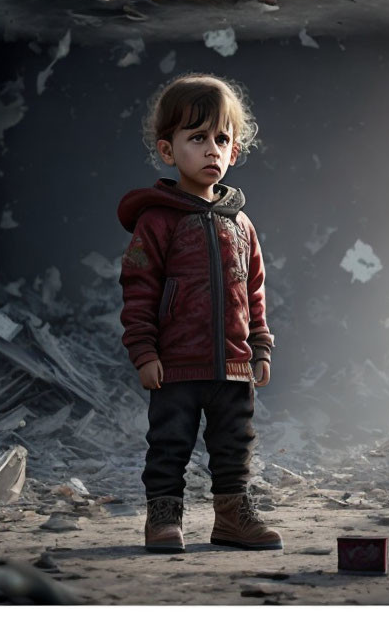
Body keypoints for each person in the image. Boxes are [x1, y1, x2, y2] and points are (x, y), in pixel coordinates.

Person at [117, 73, 282, 553]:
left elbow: (254, 291)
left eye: (222, 139)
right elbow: (139, 288)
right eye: (197, 138)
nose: (212, 149)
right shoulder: (157, 220)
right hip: (176, 365)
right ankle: (164, 518)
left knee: (235, 447)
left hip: (233, 364)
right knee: (169, 444)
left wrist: (261, 347)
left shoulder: (242, 225)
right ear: (168, 151)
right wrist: (144, 351)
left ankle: (233, 516)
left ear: (234, 151)